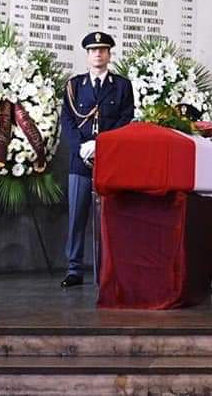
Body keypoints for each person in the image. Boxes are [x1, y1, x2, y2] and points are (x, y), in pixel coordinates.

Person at [59, 31, 134, 288]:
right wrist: (81, 147)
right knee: (77, 215)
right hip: (80, 161)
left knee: (110, 217)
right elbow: (67, 120)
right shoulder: (74, 85)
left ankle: (108, 268)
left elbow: (126, 119)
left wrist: (101, 144)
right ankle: (74, 269)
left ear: (109, 54)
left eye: (102, 50)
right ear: (87, 55)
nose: (98, 54)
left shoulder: (122, 85)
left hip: (110, 159)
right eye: (93, 50)